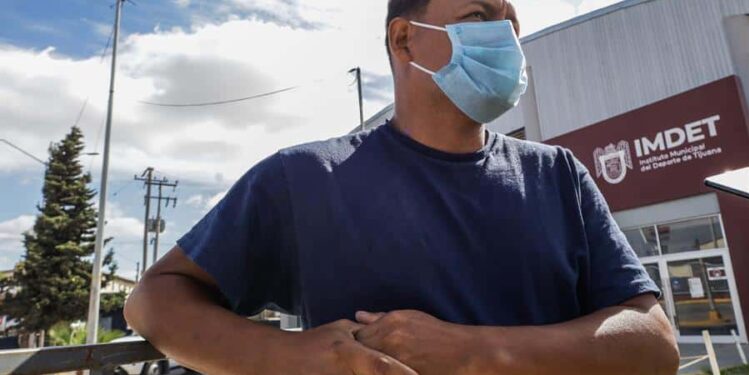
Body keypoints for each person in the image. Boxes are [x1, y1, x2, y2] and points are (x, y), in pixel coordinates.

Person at [124, 0, 680, 374]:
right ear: (404, 40)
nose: (507, 37)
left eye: (511, 20)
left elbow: (654, 343)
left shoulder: (558, 175)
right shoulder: (305, 179)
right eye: (481, 16)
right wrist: (286, 356)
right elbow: (154, 298)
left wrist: (471, 352)